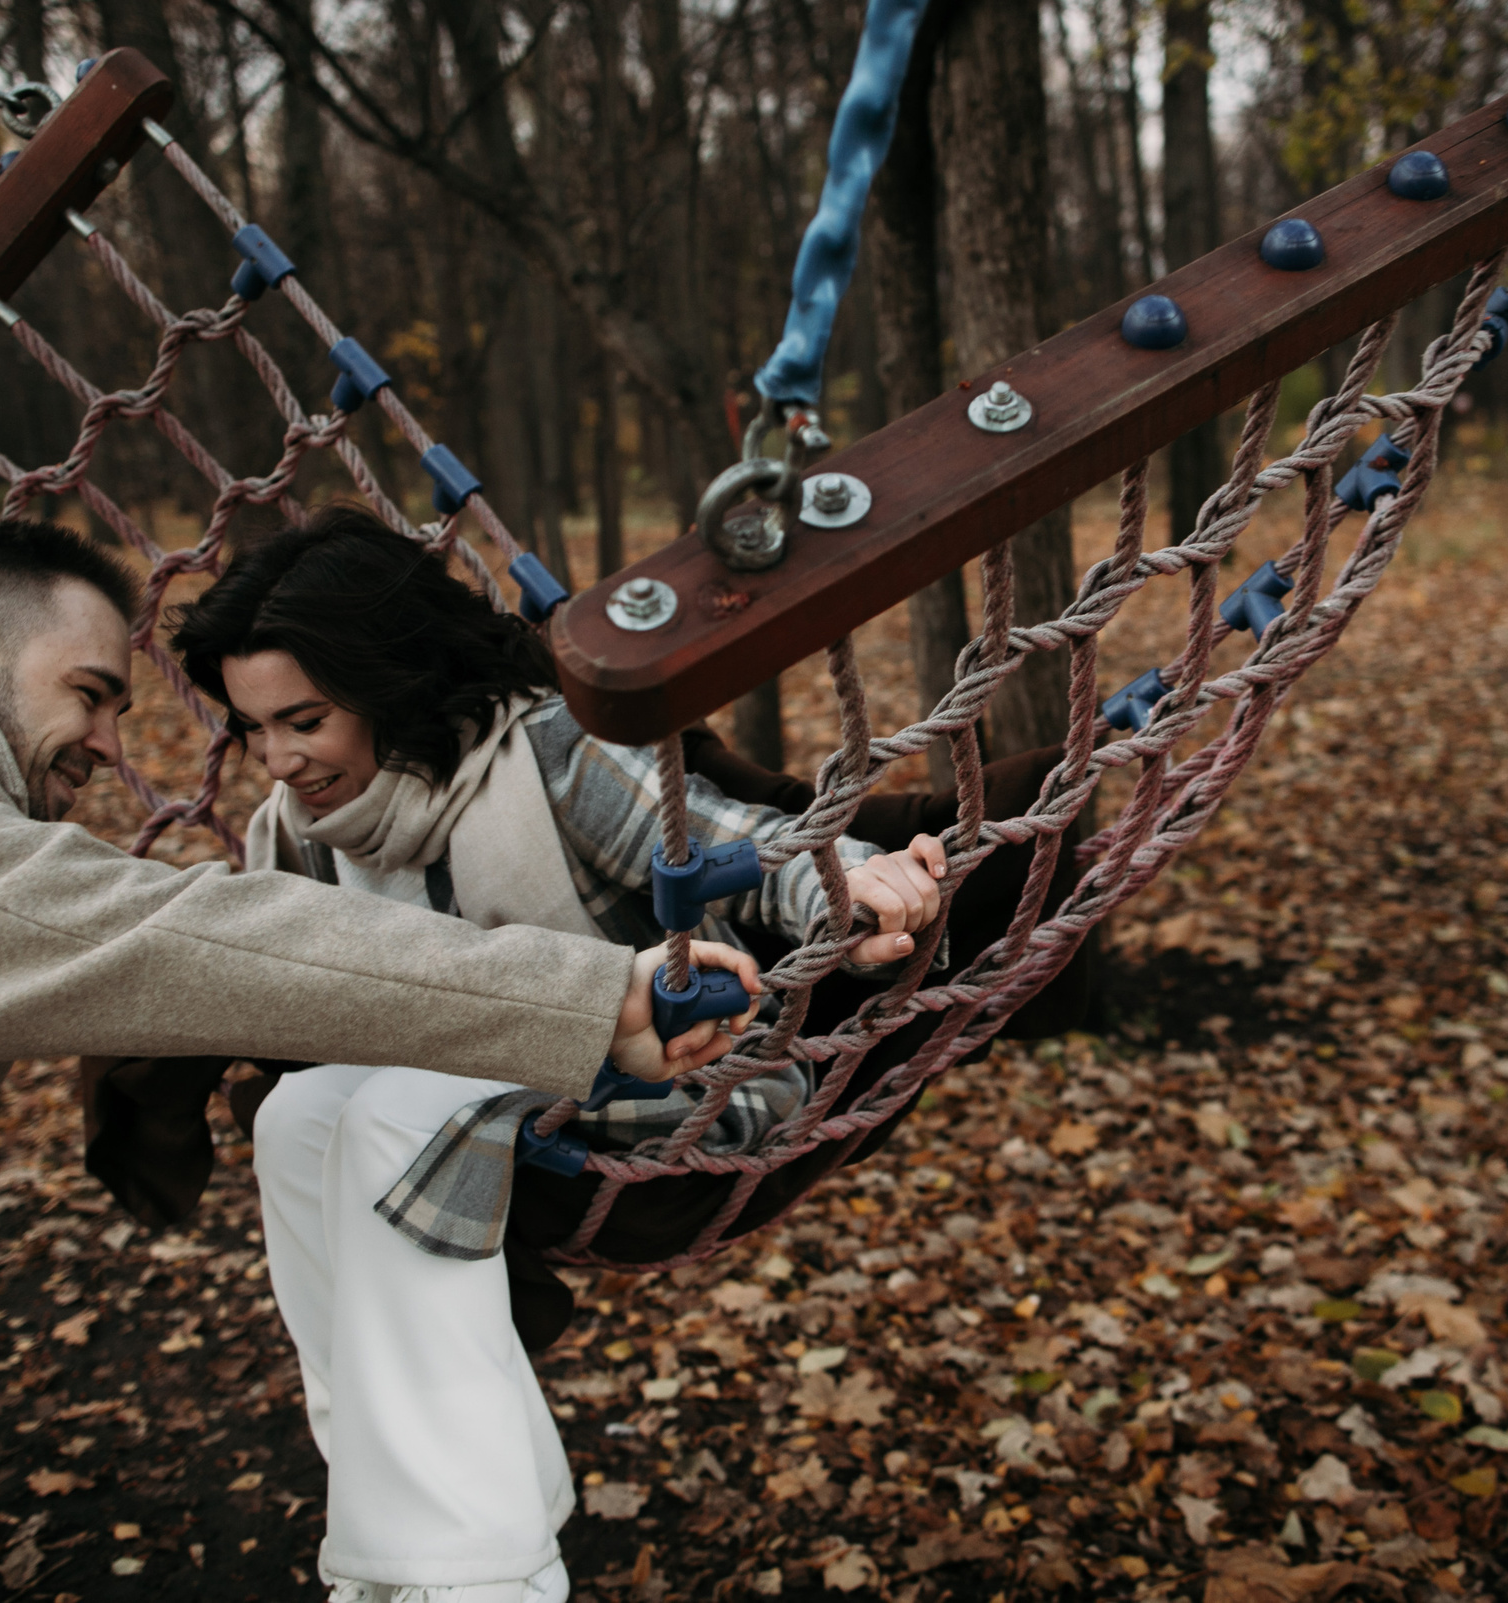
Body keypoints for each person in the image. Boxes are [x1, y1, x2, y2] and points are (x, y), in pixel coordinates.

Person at [0, 518, 754, 1603]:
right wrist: (597, 991)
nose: (108, 740)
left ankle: (460, 1546)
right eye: (87, 693)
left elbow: (735, 840)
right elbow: (201, 937)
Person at [157, 510, 956, 1603]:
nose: (281, 760)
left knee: (393, 1111)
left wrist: (850, 885)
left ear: (390, 688)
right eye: (257, 731)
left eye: (304, 720)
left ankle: (484, 1583)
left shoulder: (535, 755)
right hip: (493, 1114)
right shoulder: (300, 833)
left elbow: (724, 843)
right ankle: (423, 1528)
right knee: (295, 1120)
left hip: (680, 1087)